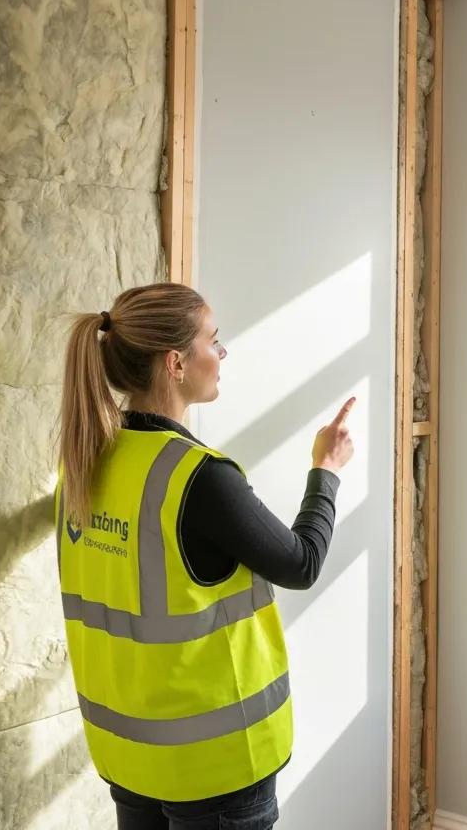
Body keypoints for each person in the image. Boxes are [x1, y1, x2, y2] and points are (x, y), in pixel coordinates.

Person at [55, 282, 355, 830]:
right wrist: (327, 471)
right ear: (175, 362)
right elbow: (301, 563)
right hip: (214, 767)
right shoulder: (198, 478)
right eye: (213, 342)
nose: (220, 355)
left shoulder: (85, 465)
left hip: (130, 754)